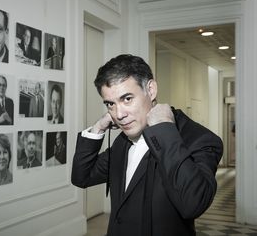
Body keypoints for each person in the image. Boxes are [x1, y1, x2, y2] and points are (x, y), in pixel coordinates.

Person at [71, 54, 223, 235]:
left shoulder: (200, 139)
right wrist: (98, 127)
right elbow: (82, 176)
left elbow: (193, 204)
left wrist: (164, 130)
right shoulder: (123, 141)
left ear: (150, 90)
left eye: (127, 99)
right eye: (110, 104)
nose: (119, 114)